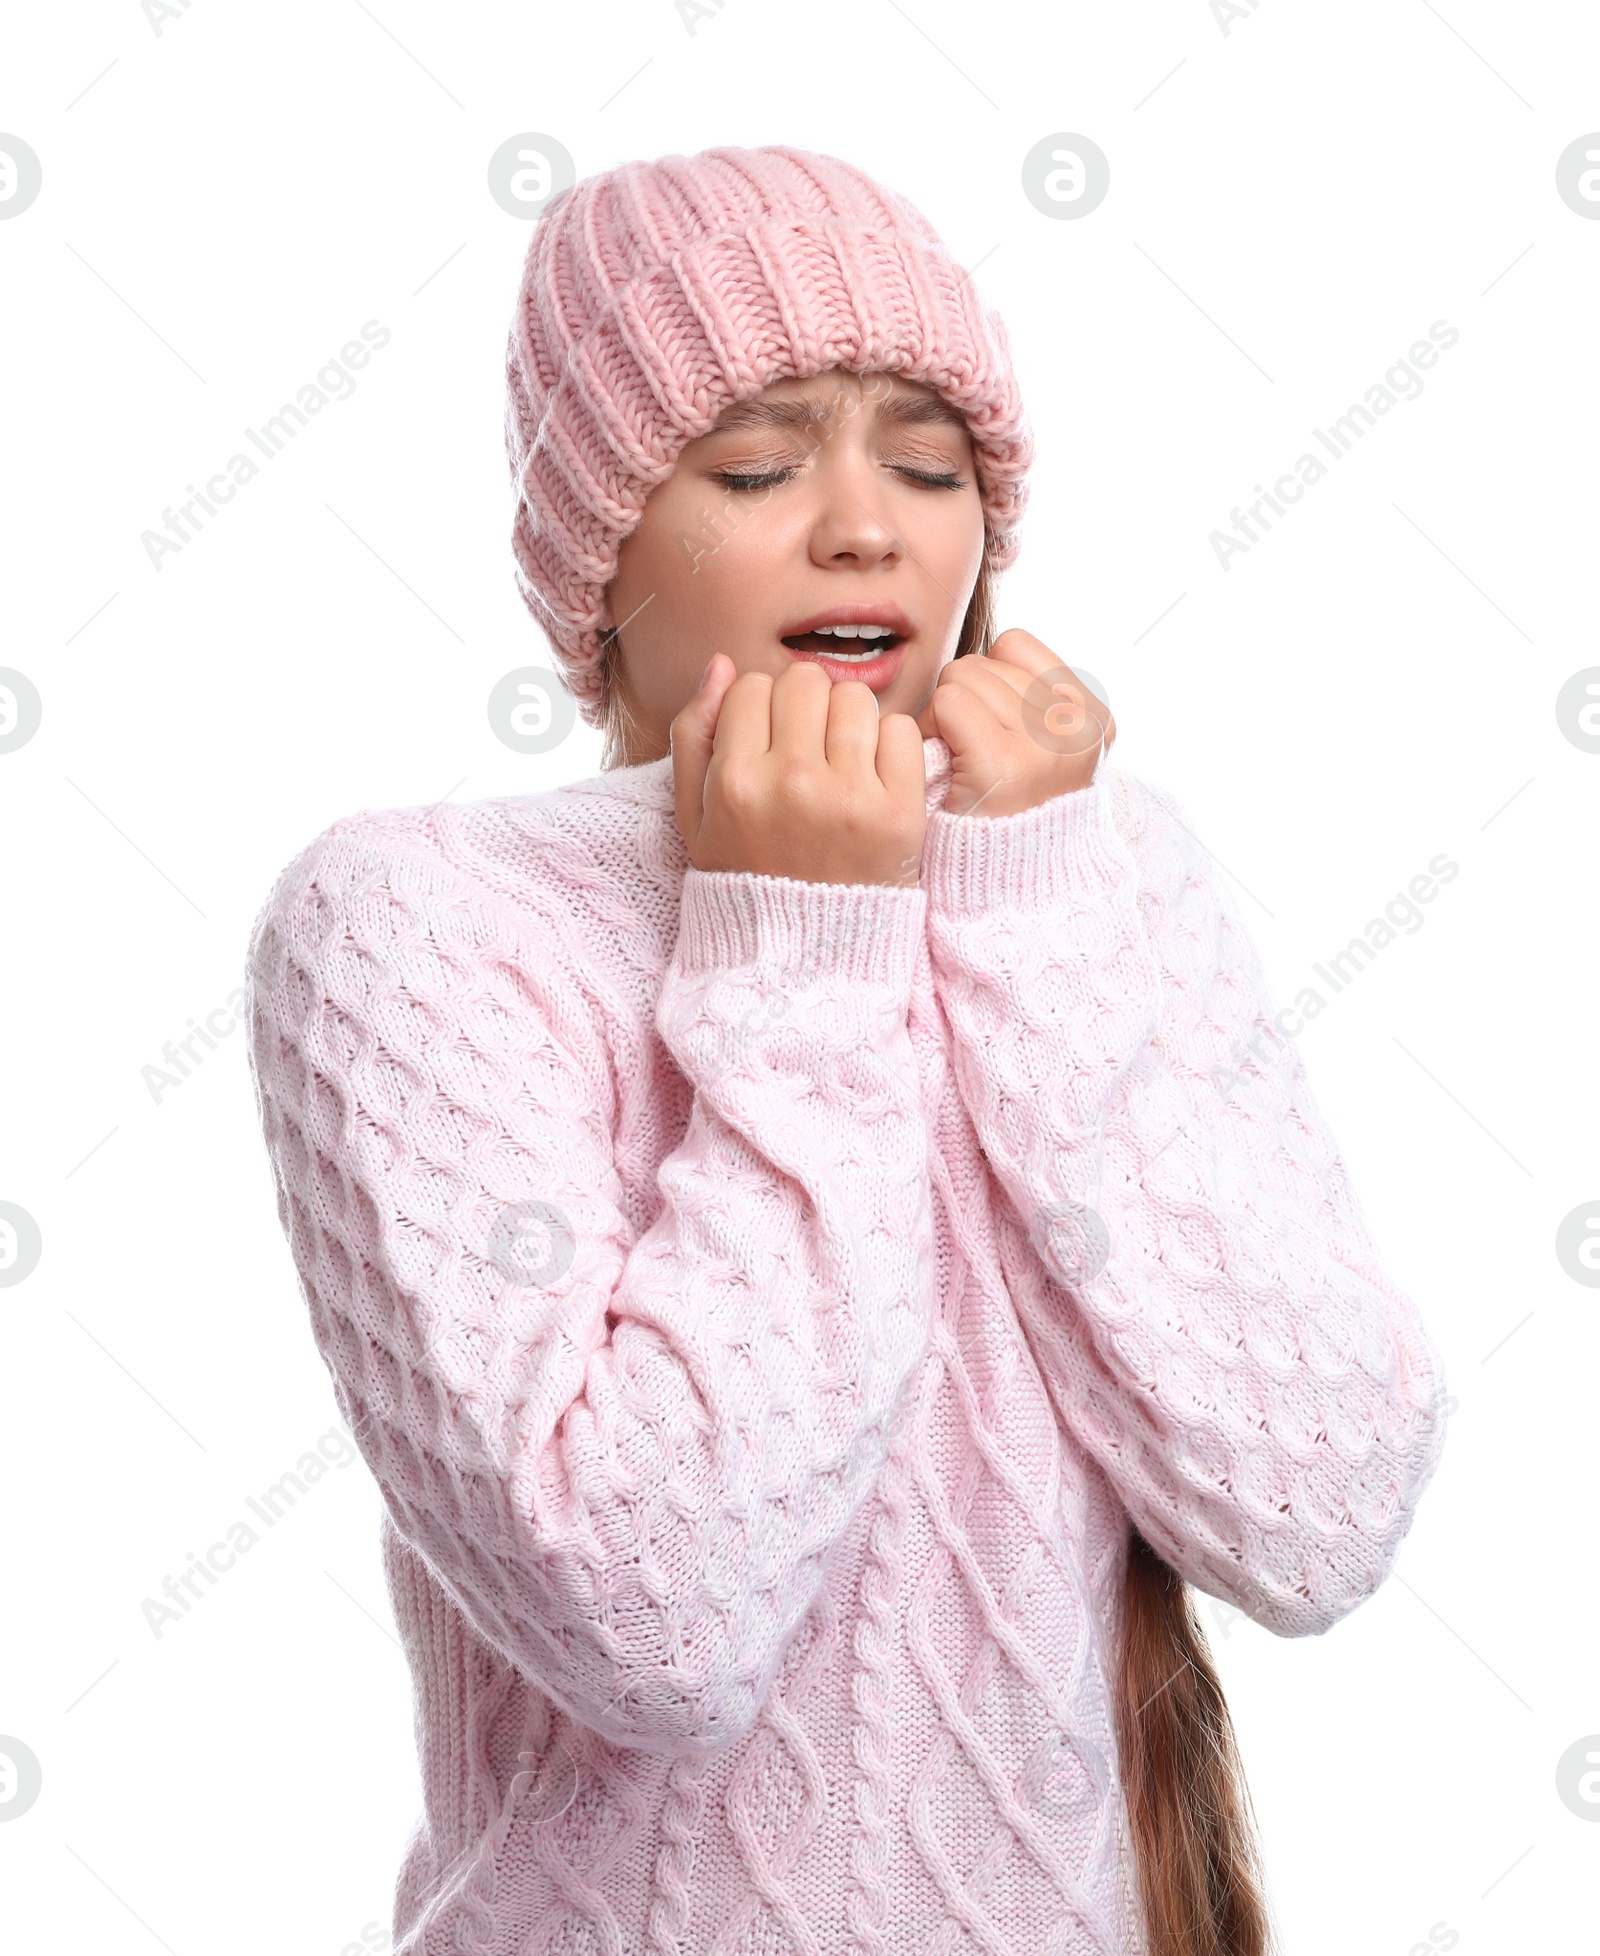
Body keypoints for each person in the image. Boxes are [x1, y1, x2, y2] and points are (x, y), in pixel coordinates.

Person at [243, 144, 1448, 1956]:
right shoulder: (411, 926)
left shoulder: (1093, 873)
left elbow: (1320, 1512)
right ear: (597, 556)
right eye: (754, 461)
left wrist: (1028, 906)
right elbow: (654, 1617)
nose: (865, 525)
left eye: (931, 462)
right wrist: (797, 945)